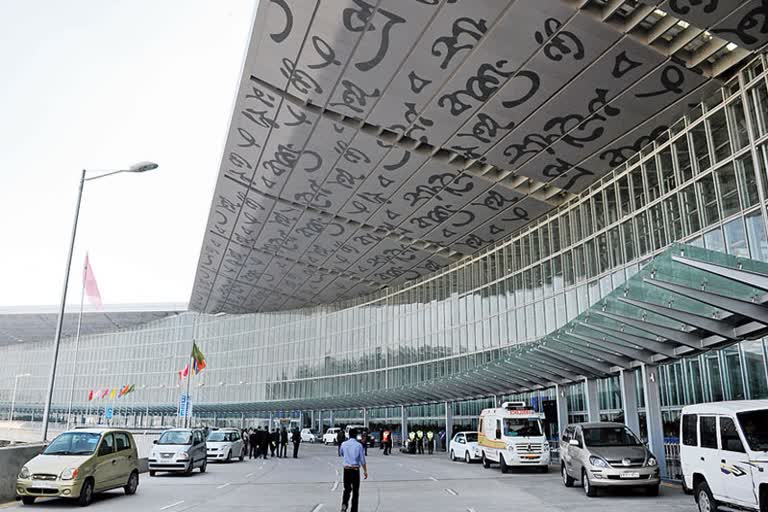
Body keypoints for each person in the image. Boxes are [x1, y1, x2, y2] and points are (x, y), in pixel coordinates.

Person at [339, 428, 367, 512]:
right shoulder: (359, 445)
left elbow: (341, 453)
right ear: (356, 436)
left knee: (346, 489)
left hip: (346, 469)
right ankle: (354, 509)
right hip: (355, 470)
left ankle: (344, 505)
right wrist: (365, 471)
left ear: (349, 435)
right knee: (355, 491)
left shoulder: (344, 444)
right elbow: (362, 460)